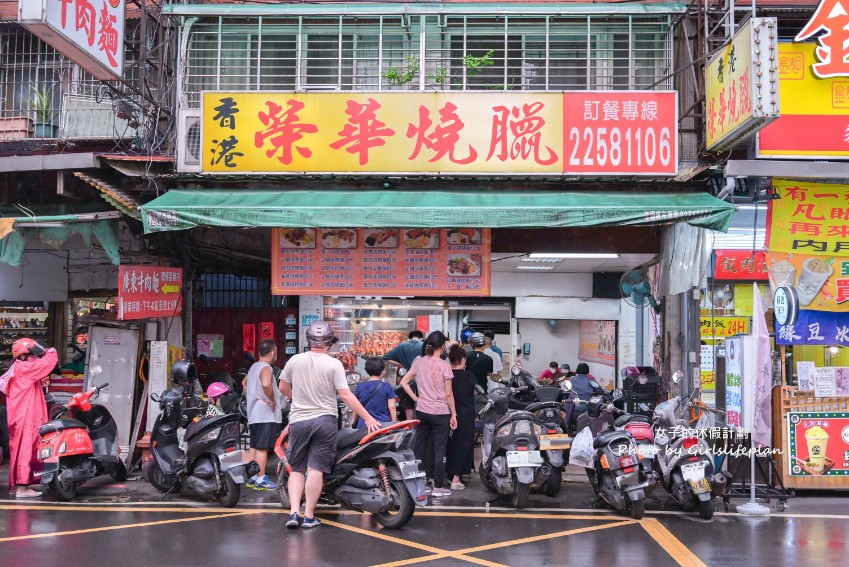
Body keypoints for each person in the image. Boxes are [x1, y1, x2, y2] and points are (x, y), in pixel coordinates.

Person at [279, 321, 379, 529]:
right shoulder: (334, 364)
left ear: (309, 339)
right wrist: (367, 418)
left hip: (299, 420)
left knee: (296, 469)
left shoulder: (295, 360)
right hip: (325, 421)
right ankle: (308, 516)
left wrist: (295, 397)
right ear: (329, 342)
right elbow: (345, 395)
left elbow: (283, 387)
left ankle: (293, 513)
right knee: (316, 469)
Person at [400, 331, 457, 498]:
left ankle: (420, 484)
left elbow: (404, 382)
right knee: (440, 450)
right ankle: (438, 487)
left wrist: (416, 398)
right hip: (440, 413)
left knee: (419, 447)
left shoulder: (419, 362)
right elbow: (448, 394)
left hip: (422, 411)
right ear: (441, 346)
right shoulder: (444, 365)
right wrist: (454, 414)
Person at [0, 339, 57, 498]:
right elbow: (49, 361)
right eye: (32, 354)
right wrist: (48, 351)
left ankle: (21, 486)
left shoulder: (19, 367)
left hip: (21, 417)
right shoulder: (24, 368)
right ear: (25, 355)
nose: (35, 357)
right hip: (26, 418)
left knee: (21, 451)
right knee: (26, 451)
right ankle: (22, 488)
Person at [244, 339, 284, 491]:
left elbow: (244, 383)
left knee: (255, 445)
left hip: (254, 413)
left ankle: (254, 476)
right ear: (273, 352)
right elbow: (266, 384)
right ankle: (261, 479)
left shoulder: (253, 367)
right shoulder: (266, 367)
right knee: (262, 448)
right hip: (265, 414)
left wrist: (254, 397)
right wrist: (271, 400)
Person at [445, 345, 476, 491]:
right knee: (462, 445)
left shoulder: (446, 376)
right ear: (463, 359)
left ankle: (444, 474)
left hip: (446, 414)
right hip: (464, 415)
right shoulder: (469, 376)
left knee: (446, 445)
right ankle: (456, 479)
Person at [383, 330, 424, 420]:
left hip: (406, 379)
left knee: (408, 409)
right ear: (421, 338)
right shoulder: (422, 346)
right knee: (421, 410)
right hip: (421, 380)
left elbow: (386, 358)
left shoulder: (402, 346)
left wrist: (401, 364)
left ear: (410, 338)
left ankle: (410, 429)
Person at [353, 358, 397, 429]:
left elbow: (356, 408)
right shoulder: (387, 386)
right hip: (382, 425)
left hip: (363, 426)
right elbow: (392, 407)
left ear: (366, 370)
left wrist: (354, 422)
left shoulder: (360, 386)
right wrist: (394, 423)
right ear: (382, 370)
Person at [565, 362, 605, 427]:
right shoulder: (591, 381)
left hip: (571, 409)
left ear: (577, 370)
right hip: (585, 409)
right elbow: (600, 391)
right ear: (587, 371)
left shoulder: (571, 380)